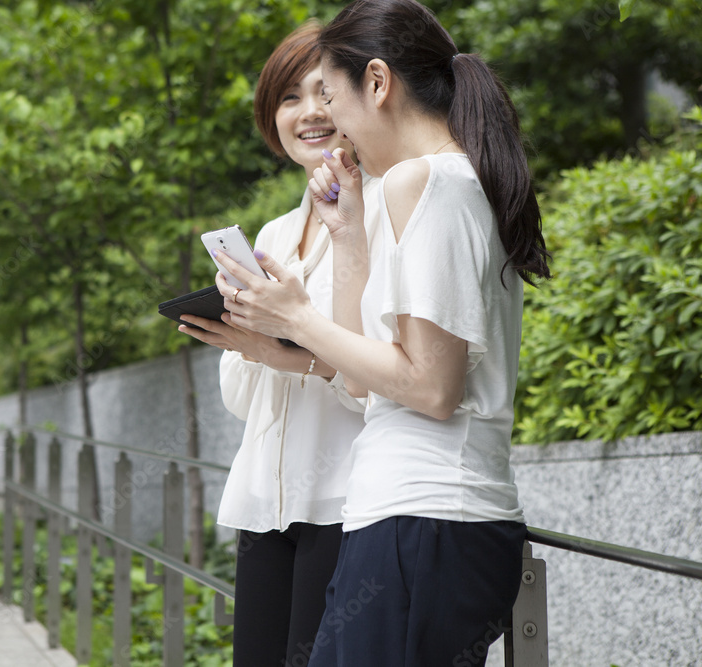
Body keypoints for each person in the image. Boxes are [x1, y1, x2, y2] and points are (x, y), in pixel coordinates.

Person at [210, 0, 552, 664]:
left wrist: (294, 319)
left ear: (377, 82)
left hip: (425, 518)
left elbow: (430, 387)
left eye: (332, 97)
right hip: (410, 519)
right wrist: (348, 239)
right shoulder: (434, 183)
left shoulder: (430, 182)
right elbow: (373, 386)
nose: (329, 121)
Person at [177, 20, 383, 667]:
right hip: (265, 499)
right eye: (289, 97)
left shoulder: (380, 211)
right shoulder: (274, 232)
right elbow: (243, 399)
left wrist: (287, 345)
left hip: (345, 496)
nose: (310, 112)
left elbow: (382, 380)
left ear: (360, 95)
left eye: (324, 91)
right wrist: (241, 332)